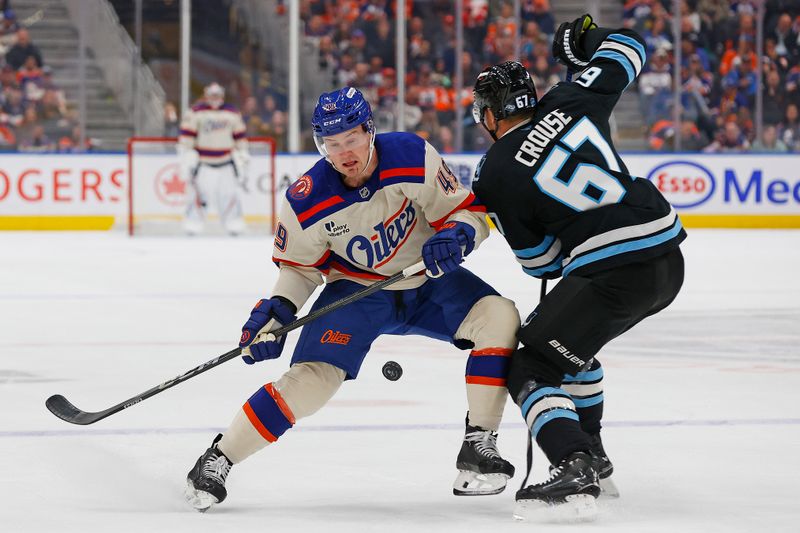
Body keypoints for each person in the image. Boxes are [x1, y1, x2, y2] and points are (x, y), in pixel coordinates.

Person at [184, 87, 521, 511]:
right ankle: (220, 456)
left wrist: (458, 234)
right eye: (333, 142)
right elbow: (300, 269)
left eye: (352, 138)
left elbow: (468, 210)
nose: (344, 152)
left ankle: (479, 444)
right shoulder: (306, 198)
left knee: (500, 317)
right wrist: (275, 312)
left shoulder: (412, 156)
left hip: (427, 279)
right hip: (358, 293)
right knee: (311, 383)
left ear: (370, 131)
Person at [469, 15, 686, 521]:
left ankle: (573, 461)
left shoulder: (492, 171)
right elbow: (630, 47)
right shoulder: (571, 97)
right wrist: (583, 41)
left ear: (490, 114)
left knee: (530, 364)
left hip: (612, 272)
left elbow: (539, 262)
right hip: (667, 259)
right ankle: (595, 452)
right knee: (571, 349)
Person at [178, 82, 250, 235]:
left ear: (222, 96)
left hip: (226, 163)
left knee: (229, 195)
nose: (215, 98)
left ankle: (233, 224)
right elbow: (187, 137)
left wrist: (242, 153)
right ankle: (193, 224)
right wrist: (187, 154)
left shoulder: (232, 113)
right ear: (206, 95)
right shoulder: (196, 112)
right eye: (212, 95)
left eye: (217, 95)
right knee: (199, 195)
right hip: (204, 163)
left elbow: (240, 136)